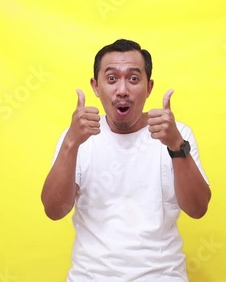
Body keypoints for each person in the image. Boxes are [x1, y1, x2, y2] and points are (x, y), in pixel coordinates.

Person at [41, 39, 211, 282]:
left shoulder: (177, 134)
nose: (122, 90)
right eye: (111, 79)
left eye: (133, 79)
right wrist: (71, 143)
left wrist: (176, 146)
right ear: (96, 86)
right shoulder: (78, 137)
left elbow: (198, 209)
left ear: (149, 87)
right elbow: (54, 210)